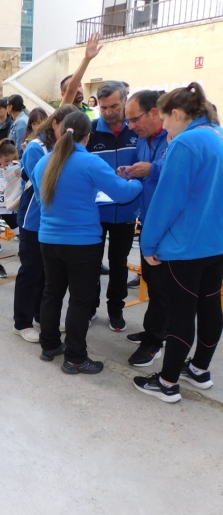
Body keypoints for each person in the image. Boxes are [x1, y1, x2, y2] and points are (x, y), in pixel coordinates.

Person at [32, 112, 142, 373]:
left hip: (48, 239)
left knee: (52, 293)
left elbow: (40, 200)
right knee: (81, 300)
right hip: (82, 243)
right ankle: (75, 358)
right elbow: (123, 193)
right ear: (88, 136)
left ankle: (49, 346)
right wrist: (139, 180)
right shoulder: (90, 162)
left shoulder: (42, 163)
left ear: (60, 132)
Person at [133, 83, 223, 403]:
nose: (163, 125)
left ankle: (168, 382)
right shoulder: (218, 136)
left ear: (177, 114)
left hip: (186, 245)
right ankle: (199, 369)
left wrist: (149, 242)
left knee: (181, 313)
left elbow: (167, 200)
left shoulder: (185, 143)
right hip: (216, 244)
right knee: (211, 306)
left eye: (165, 118)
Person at [12, 105, 78, 343]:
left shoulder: (58, 147)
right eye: (67, 126)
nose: (72, 132)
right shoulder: (35, 148)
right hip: (34, 220)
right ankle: (22, 321)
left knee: (48, 275)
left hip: (53, 223)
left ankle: (41, 315)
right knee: (31, 271)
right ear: (55, 123)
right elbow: (45, 187)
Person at [118, 90, 169, 367]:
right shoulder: (144, 140)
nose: (131, 126)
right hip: (148, 220)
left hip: (168, 226)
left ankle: (155, 342)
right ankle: (154, 331)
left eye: (135, 119)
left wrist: (153, 169)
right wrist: (131, 170)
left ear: (154, 112)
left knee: (162, 287)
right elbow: (146, 170)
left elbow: (177, 173)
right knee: (150, 278)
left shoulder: (175, 138)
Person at [86, 80, 139, 332]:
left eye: (114, 106)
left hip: (127, 212)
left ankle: (116, 310)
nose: (108, 112)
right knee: (91, 263)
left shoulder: (136, 132)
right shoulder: (92, 132)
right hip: (95, 214)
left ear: (125, 101)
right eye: (104, 107)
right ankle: (88, 307)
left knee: (119, 264)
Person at [0, 139, 21, 278]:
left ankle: (27, 258)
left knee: (20, 233)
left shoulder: (14, 166)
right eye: (6, 160)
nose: (8, 163)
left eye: (11, 160)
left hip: (8, 206)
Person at [61, 33, 103, 120]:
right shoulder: (64, 110)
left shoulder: (94, 111)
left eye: (79, 85)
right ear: (63, 94)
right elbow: (71, 89)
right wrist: (87, 59)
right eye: (75, 86)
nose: (78, 89)